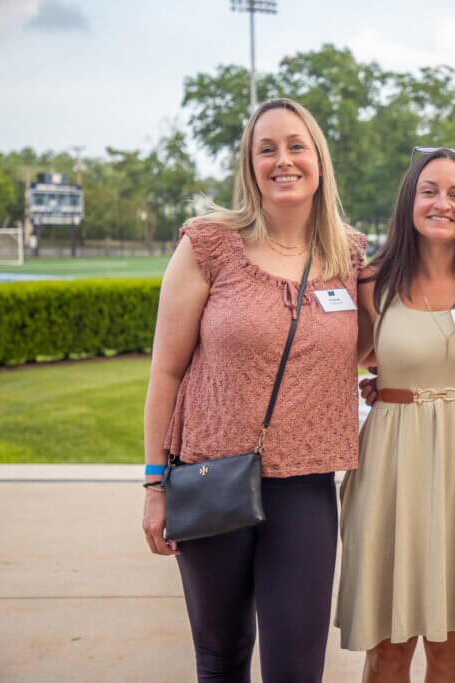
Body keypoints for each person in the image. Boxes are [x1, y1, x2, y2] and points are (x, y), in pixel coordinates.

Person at [141, 97, 366, 682]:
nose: (282, 160)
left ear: (319, 160)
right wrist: (153, 485)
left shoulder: (351, 255)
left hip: (305, 487)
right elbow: (165, 372)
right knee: (220, 656)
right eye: (266, 149)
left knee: (297, 669)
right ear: (249, 165)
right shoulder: (208, 245)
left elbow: (374, 348)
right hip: (211, 477)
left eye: (296, 146)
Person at [335, 147, 455, 683]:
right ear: (409, 200)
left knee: (451, 652)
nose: (443, 203)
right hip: (391, 467)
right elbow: (330, 364)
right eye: (430, 191)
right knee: (388, 650)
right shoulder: (371, 281)